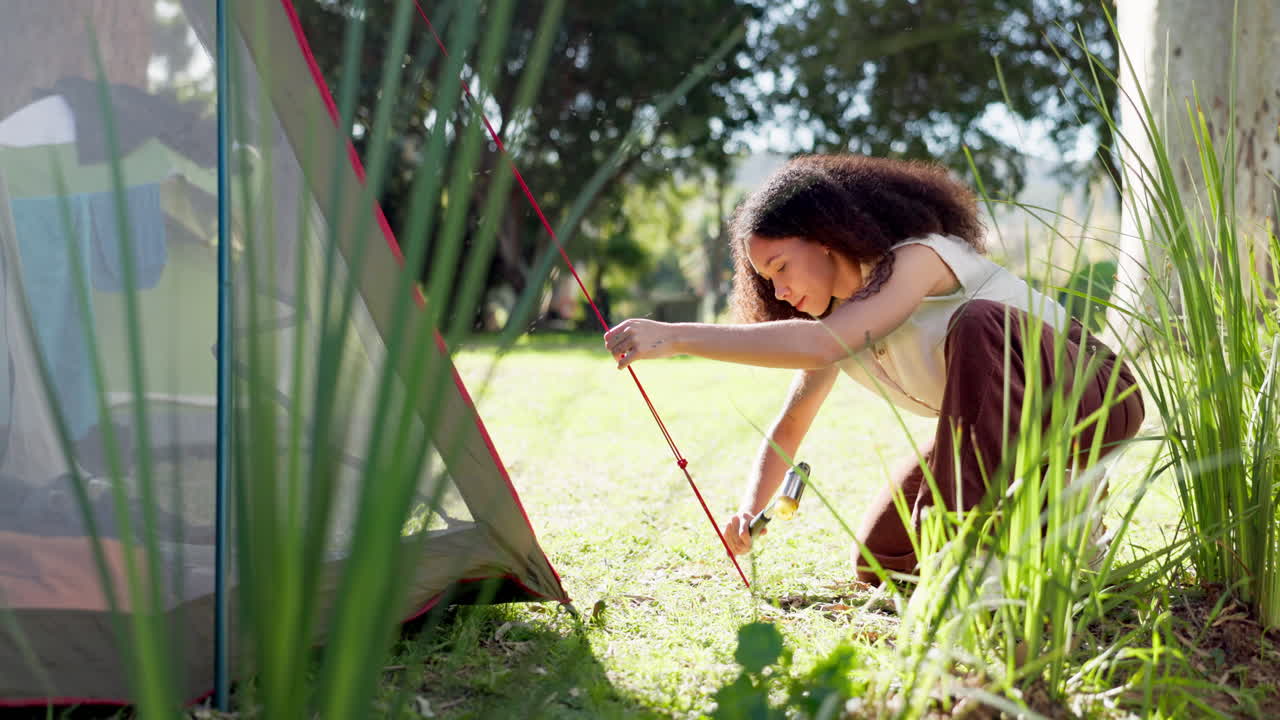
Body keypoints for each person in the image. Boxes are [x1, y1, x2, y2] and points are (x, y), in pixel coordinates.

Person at [602, 154, 1144, 583]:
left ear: (825, 239)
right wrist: (750, 511)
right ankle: (1046, 513)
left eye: (782, 267)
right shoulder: (841, 321)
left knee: (978, 322)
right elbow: (791, 425)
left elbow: (821, 344)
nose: (779, 290)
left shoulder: (920, 258)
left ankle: (999, 549)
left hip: (1091, 397)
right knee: (882, 557)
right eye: (765, 280)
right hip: (1000, 428)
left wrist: (674, 336)